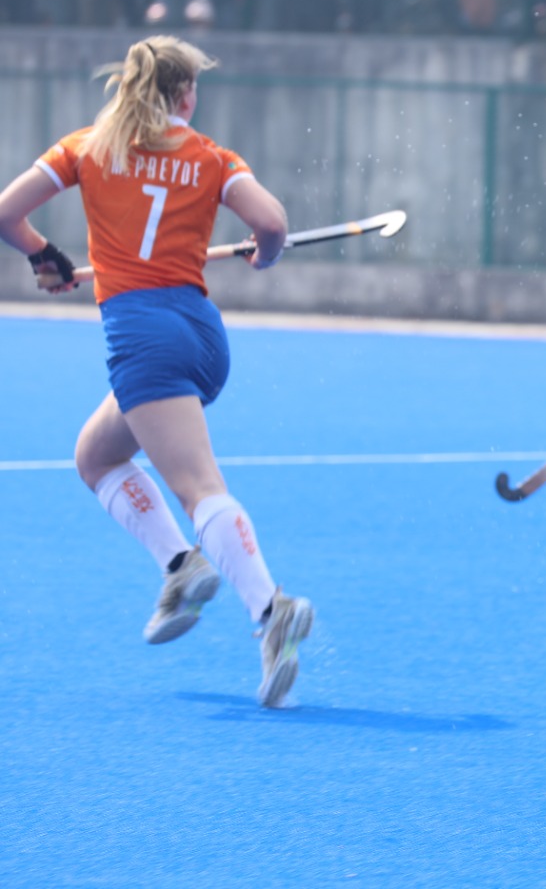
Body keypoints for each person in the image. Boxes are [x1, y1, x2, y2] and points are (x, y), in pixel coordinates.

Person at [0, 36, 316, 706]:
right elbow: (272, 222)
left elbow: (6, 212)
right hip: (201, 336)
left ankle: (271, 611)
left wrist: (44, 255)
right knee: (96, 456)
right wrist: (266, 255)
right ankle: (181, 566)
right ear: (185, 95)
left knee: (199, 487)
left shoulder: (87, 146)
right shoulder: (210, 157)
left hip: (142, 337)